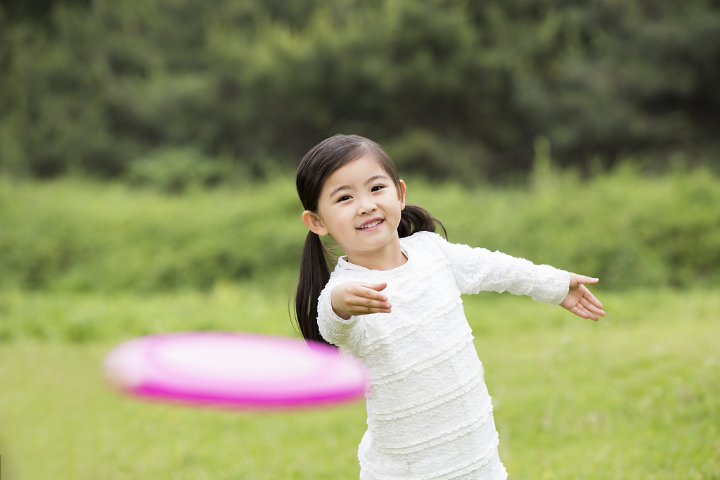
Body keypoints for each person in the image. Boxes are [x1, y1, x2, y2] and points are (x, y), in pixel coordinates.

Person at [294, 134, 604, 480]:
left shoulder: (431, 251)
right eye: (345, 197)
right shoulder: (346, 289)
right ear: (317, 222)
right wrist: (341, 303)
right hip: (405, 469)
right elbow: (331, 322)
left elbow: (493, 267)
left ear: (399, 194)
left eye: (376, 188)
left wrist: (556, 285)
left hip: (474, 453)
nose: (365, 204)